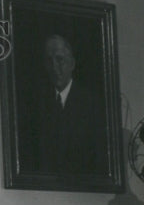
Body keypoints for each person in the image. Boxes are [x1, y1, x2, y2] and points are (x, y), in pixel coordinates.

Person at [20, 34, 109, 177]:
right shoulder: (35, 105)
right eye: (49, 60)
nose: (55, 67)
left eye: (60, 59)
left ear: (72, 64)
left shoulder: (93, 104)